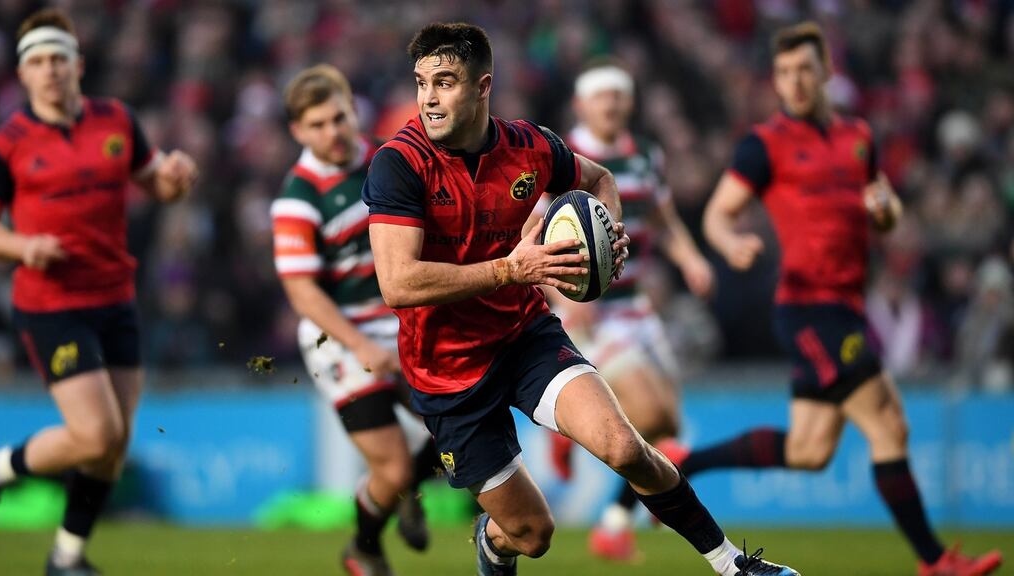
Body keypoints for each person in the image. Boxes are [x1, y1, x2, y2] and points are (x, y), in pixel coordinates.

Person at [362, 22, 798, 576]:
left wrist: (608, 237)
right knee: (532, 534)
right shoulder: (399, 162)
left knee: (625, 446)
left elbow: (599, 179)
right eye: (422, 82)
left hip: (524, 337)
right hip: (447, 371)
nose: (428, 97)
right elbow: (398, 283)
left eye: (444, 82)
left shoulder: (529, 145)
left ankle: (734, 565)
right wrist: (509, 269)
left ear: (482, 86)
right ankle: (493, 544)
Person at [668, 21, 1002, 576]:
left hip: (846, 306)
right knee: (888, 424)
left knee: (811, 449)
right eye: (784, 73)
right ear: (776, 81)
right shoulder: (765, 144)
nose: (795, 81)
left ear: (825, 70)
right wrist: (731, 244)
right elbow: (717, 214)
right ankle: (935, 560)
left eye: (805, 69)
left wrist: (886, 210)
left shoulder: (858, 137)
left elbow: (886, 211)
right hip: (807, 308)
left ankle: (684, 461)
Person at [0, 9, 198, 576]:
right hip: (52, 305)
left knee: (115, 443)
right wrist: (23, 246)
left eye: (58, 58)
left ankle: (67, 556)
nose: (50, 70)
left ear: (77, 65)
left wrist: (175, 180)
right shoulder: (7, 143)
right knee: (95, 434)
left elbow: (156, 184)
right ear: (23, 74)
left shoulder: (116, 120)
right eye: (38, 61)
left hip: (115, 299)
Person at [271, 64, 440, 576]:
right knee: (391, 468)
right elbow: (303, 292)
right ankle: (362, 549)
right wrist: (361, 346)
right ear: (298, 131)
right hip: (339, 337)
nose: (333, 132)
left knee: (462, 424)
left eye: (338, 118)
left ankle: (413, 489)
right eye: (317, 124)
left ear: (353, 111)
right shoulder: (297, 200)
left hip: (404, 321)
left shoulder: (393, 159)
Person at [545, 61, 715, 561]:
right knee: (654, 419)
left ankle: (614, 524)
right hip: (590, 309)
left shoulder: (644, 155)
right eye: (601, 96)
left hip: (637, 307)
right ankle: (569, 430)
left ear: (630, 102)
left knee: (668, 430)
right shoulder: (563, 157)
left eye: (618, 95)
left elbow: (663, 219)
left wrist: (690, 259)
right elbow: (537, 232)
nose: (611, 104)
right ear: (581, 105)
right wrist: (562, 298)